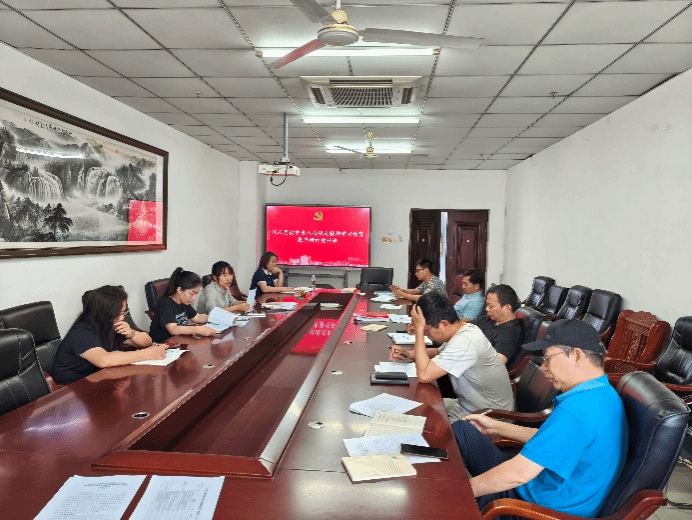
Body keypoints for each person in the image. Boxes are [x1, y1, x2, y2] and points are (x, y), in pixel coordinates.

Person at [453, 319, 628, 518]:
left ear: (577, 356)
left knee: (452, 502)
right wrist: (497, 427)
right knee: (463, 430)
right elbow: (552, 441)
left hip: (536, 509)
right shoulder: (600, 393)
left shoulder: (578, 410)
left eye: (547, 357)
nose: (543, 367)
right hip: (536, 488)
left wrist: (459, 490)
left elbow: (518, 474)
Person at [389, 292, 514, 422]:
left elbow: (424, 375)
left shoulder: (465, 341)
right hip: (467, 405)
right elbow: (437, 351)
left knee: (420, 421)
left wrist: (419, 331)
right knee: (412, 407)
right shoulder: (464, 329)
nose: (427, 336)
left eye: (427, 331)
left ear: (443, 323)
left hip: (489, 417)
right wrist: (408, 354)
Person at [52, 285, 168, 385]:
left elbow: (147, 342)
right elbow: (104, 360)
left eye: (124, 312)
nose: (122, 317)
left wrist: (131, 333)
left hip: (101, 378)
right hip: (73, 387)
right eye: (119, 313)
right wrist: (146, 354)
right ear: (105, 312)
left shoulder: (112, 324)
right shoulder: (81, 332)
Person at [149, 267, 216, 342]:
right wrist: (197, 329)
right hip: (163, 343)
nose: (194, 298)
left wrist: (215, 318)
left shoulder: (184, 302)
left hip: (179, 340)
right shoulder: (165, 303)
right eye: (192, 293)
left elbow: (197, 317)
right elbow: (173, 329)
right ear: (179, 290)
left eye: (196, 294)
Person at [473, 284, 524, 366]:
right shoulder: (489, 319)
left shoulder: (509, 333)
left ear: (507, 308)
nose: (487, 309)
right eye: (487, 305)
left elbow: (495, 364)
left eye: (490, 306)